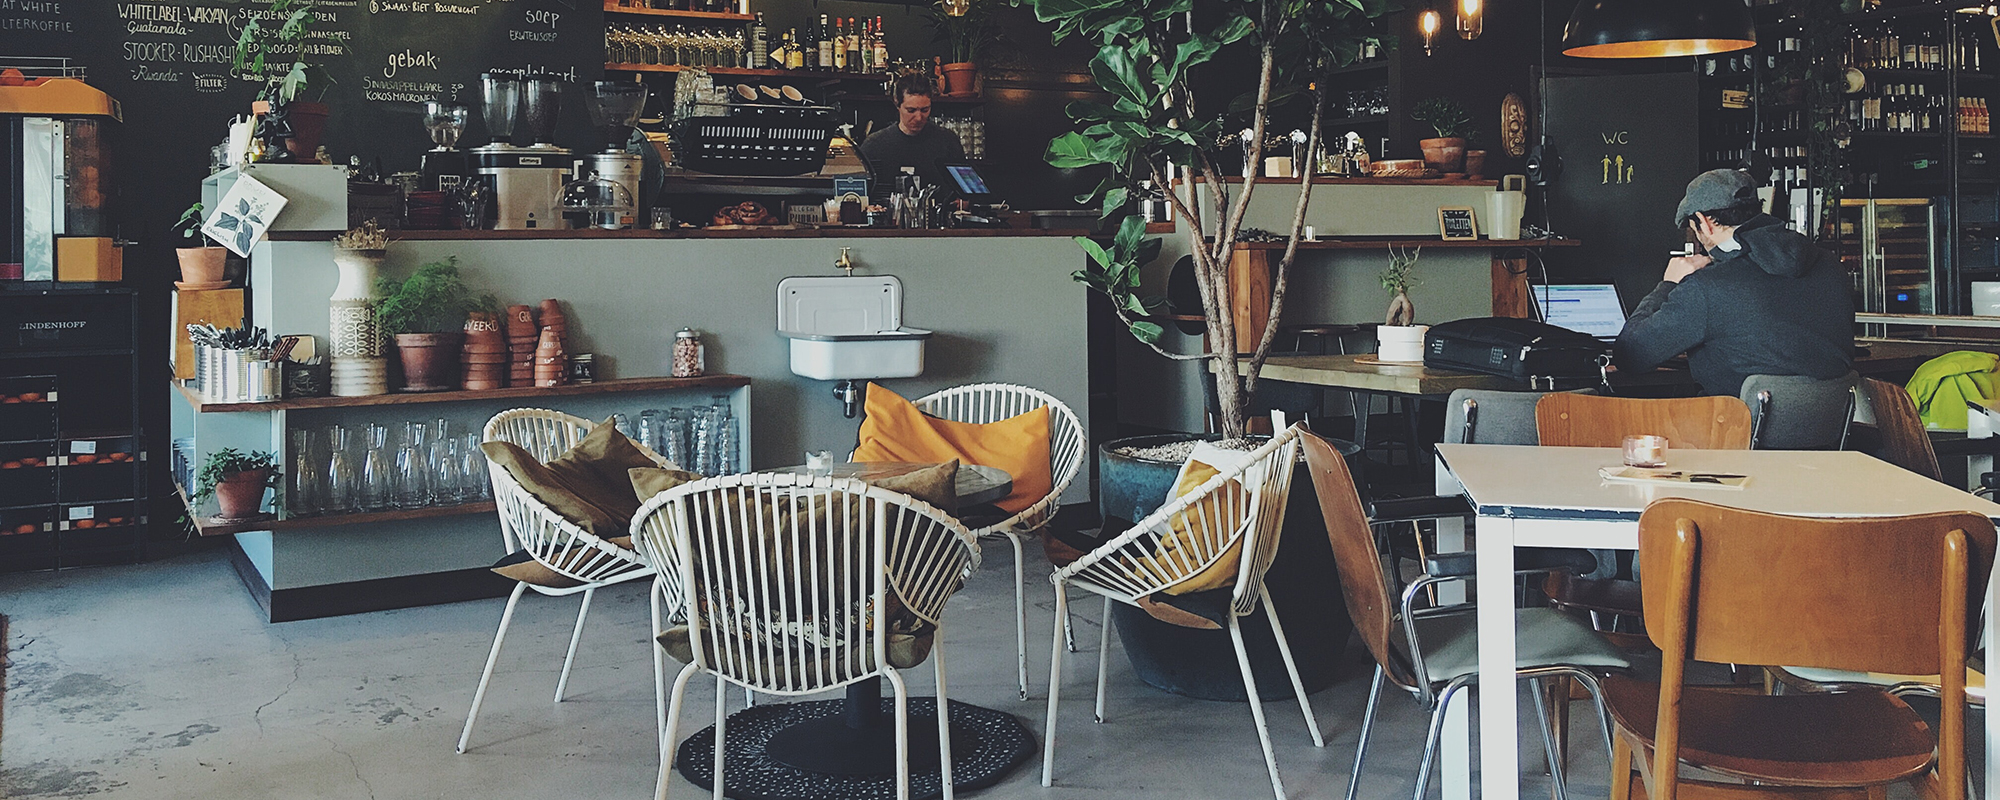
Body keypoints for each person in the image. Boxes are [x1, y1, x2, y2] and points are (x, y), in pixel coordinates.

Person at [1614, 168, 1853, 397]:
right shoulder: (1830, 265)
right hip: (1832, 423)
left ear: (1704, 222)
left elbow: (1630, 355)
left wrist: (1669, 284)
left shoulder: (1706, 288)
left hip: (1734, 422)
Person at [859, 74, 964, 193]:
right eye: (911, 110)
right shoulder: (874, 146)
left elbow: (964, 192)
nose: (919, 117)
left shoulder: (948, 142)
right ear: (897, 104)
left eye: (925, 110)